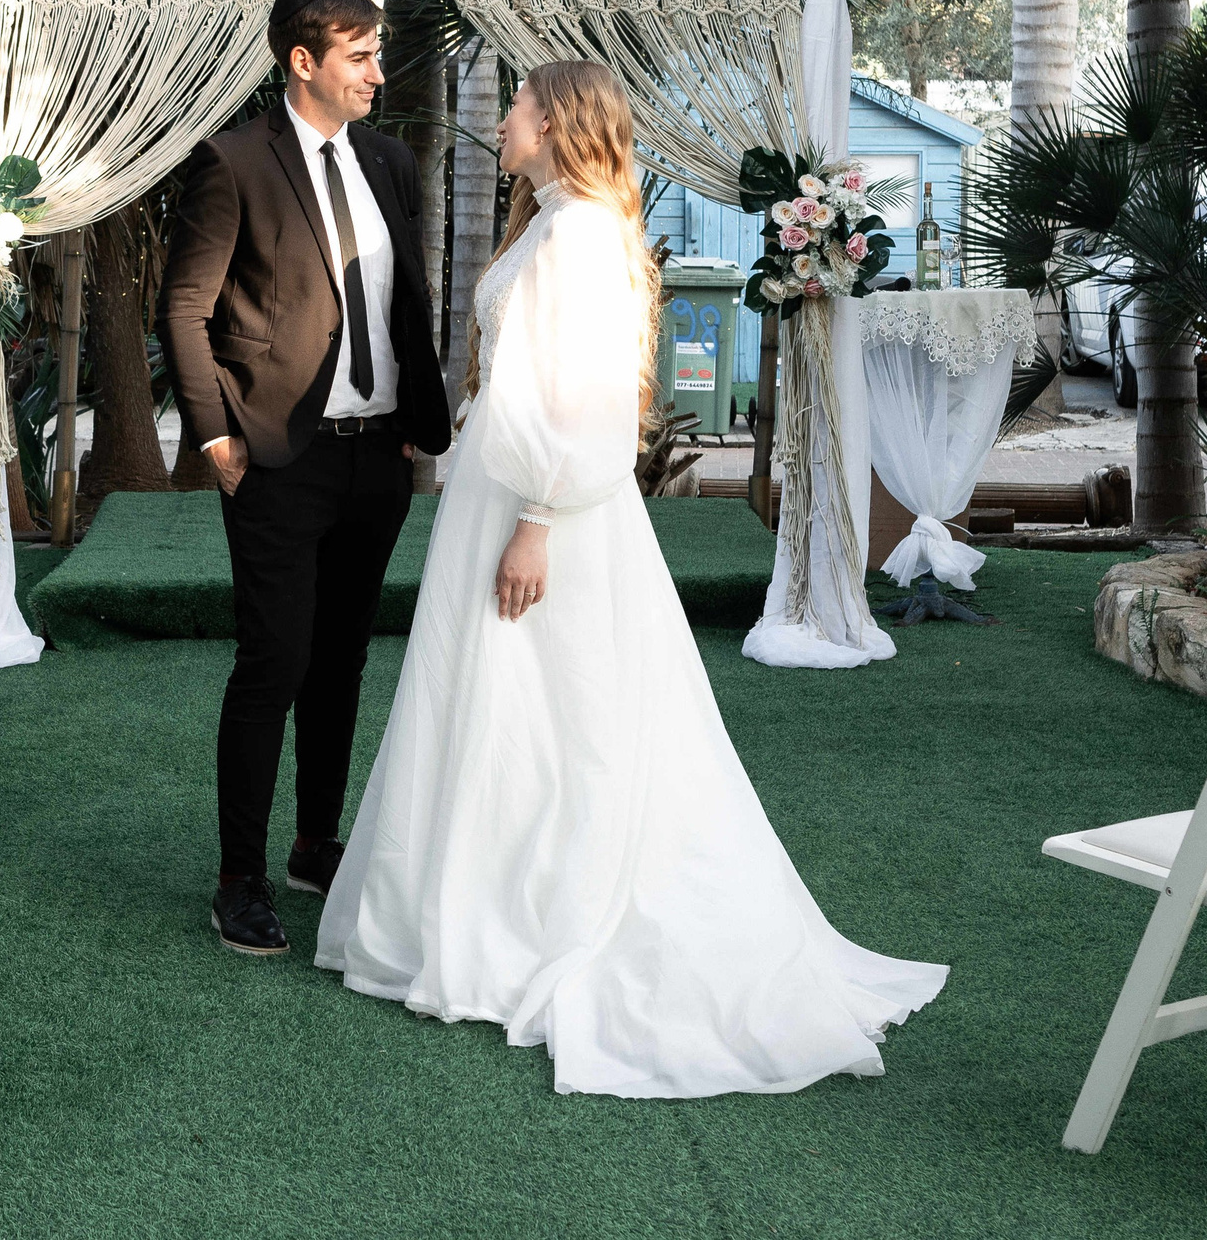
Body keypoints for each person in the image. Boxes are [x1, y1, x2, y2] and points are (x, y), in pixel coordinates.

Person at [316, 60, 946, 1097]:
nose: (506, 117)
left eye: (519, 102)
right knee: (497, 703)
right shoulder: (557, 218)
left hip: (541, 509)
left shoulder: (577, 236)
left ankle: (525, 910)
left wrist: (536, 519)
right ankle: (479, 891)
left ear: (557, 121)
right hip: (503, 492)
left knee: (548, 704)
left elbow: (585, 396)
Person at [160, 0, 454, 956]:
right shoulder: (232, 161)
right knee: (275, 659)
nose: (379, 71)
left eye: (378, 54)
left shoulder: (391, 160)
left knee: (339, 661)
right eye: (360, 56)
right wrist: (214, 436)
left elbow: (407, 296)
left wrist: (419, 414)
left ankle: (315, 844)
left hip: (379, 460)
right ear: (304, 61)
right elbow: (185, 310)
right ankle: (237, 877)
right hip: (277, 459)